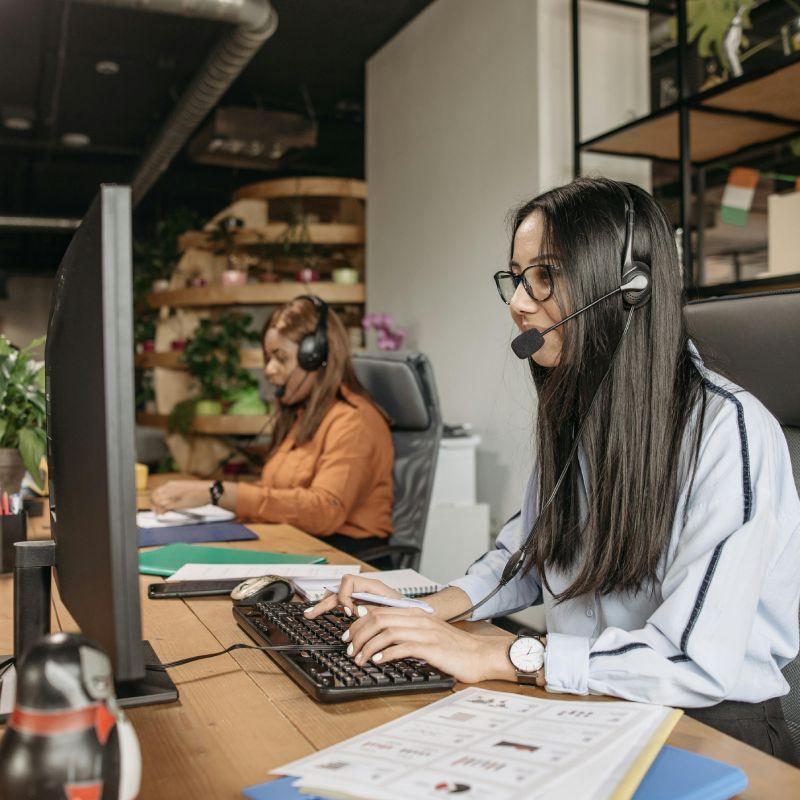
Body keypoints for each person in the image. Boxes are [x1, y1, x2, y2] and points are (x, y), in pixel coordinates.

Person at [306, 178, 800, 764]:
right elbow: (532, 551)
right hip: (592, 701)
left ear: (629, 288)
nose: (518, 302)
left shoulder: (729, 431)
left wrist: (503, 656)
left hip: (710, 730)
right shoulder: (578, 413)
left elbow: (696, 660)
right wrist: (429, 607)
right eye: (515, 278)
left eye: (543, 276)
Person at [151, 295, 394, 556]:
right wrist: (211, 494)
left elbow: (325, 512)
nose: (269, 369)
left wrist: (218, 492)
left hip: (344, 558)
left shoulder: (354, 421)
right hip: (297, 545)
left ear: (316, 357)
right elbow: (279, 494)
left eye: (280, 358)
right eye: (268, 358)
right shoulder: (302, 417)